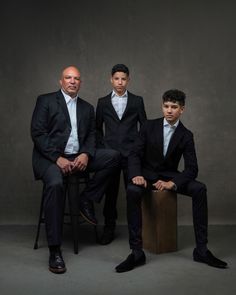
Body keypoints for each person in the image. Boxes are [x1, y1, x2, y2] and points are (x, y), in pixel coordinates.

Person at [115, 89, 228, 272]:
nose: (169, 110)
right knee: (132, 191)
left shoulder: (186, 135)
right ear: (162, 106)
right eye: (166, 106)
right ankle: (136, 252)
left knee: (200, 189)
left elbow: (192, 169)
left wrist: (172, 184)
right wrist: (136, 174)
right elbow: (134, 153)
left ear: (182, 109)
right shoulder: (148, 126)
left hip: (169, 176)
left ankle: (201, 250)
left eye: (174, 107)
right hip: (145, 175)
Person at [31, 66, 119, 274]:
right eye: (68, 78)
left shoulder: (87, 108)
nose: (72, 81)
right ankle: (55, 250)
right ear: (60, 81)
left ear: (81, 83)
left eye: (76, 78)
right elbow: (38, 133)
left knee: (114, 157)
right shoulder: (45, 101)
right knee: (55, 183)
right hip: (49, 158)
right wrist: (57, 158)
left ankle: (85, 198)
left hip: (78, 157)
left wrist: (86, 154)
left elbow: (90, 136)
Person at [96, 64, 147, 245]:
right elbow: (96, 129)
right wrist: (104, 149)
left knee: (133, 192)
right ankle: (109, 227)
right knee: (110, 194)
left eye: (123, 79)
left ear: (128, 80)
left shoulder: (137, 101)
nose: (120, 82)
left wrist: (138, 151)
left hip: (131, 156)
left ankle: (137, 231)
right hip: (110, 156)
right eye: (116, 78)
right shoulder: (102, 102)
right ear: (111, 79)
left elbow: (145, 128)